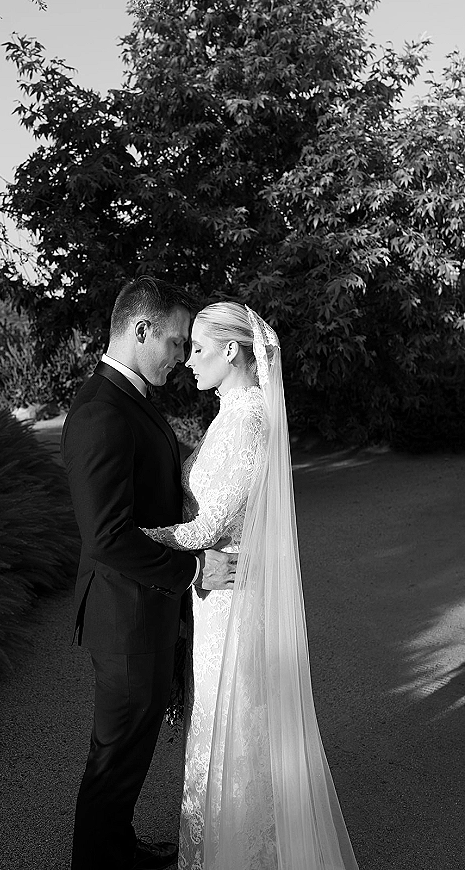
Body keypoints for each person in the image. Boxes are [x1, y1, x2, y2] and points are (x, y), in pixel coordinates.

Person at [142, 302, 360, 870]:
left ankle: (243, 852)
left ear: (231, 350)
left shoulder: (247, 419)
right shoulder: (231, 411)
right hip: (218, 593)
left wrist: (132, 537)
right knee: (226, 721)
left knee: (234, 723)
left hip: (231, 595)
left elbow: (209, 526)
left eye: (198, 349)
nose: (189, 361)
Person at [60, 277, 236, 870]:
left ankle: (119, 848)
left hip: (144, 608)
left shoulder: (131, 398)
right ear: (141, 331)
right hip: (124, 616)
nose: (183, 356)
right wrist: (194, 568)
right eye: (176, 341)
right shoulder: (100, 411)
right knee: (113, 760)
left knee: (130, 753)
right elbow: (107, 536)